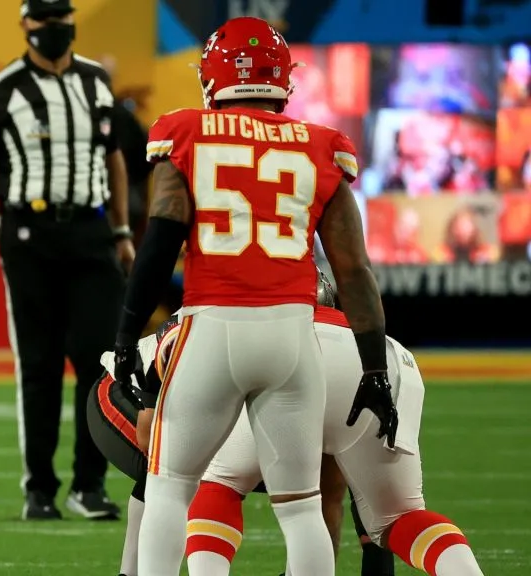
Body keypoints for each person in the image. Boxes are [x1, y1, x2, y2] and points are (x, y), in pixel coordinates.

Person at [110, 16, 396, 575]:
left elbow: (160, 239)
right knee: (303, 507)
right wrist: (375, 370)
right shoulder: (322, 146)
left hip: (212, 328)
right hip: (293, 336)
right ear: (283, 79)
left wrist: (126, 334)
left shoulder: (185, 131)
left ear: (212, 77)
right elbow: (355, 271)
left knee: (169, 490)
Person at [0, 0, 133, 520]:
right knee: (39, 365)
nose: (54, 27)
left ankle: (89, 487)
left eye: (61, 17)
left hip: (92, 232)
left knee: (101, 364)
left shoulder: (95, 82)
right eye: (43, 19)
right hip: (29, 234)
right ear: (25, 25)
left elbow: (112, 156)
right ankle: (39, 488)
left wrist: (122, 229)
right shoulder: (1, 92)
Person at [87, 276, 398, 576]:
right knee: (168, 460)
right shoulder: (221, 325)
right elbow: (148, 429)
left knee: (319, 475)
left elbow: (359, 474)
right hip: (127, 393)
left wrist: (377, 565)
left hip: (216, 401)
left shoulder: (323, 352)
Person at [186, 273, 485, 576]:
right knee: (402, 517)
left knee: (220, 486)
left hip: (287, 353)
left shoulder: (246, 323)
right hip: (387, 359)